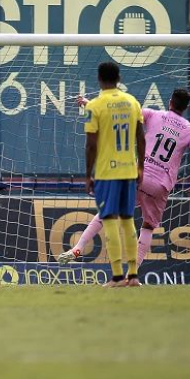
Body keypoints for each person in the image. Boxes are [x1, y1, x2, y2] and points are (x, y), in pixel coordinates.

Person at [60, 89, 190, 279]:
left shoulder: (154, 114)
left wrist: (88, 103)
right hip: (160, 185)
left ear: (170, 102)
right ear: (186, 108)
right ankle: (132, 274)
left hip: (138, 175)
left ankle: (78, 248)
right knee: (147, 227)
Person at [81, 62, 145, 287]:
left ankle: (117, 276)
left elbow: (91, 144)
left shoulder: (95, 106)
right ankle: (134, 275)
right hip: (129, 170)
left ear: (99, 79)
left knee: (109, 219)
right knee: (128, 220)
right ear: (119, 77)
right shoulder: (132, 102)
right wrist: (141, 167)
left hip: (107, 173)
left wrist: (88, 175)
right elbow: (141, 137)